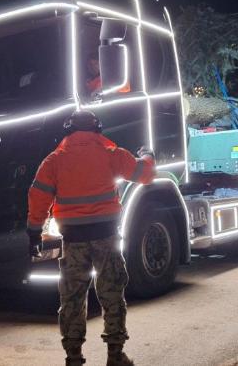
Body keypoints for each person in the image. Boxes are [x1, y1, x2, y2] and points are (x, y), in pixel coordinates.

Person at [27, 110, 155, 366]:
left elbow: (38, 196)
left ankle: (73, 357)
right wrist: (148, 156)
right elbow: (145, 174)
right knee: (112, 294)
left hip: (72, 241)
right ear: (98, 129)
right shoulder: (111, 155)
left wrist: (33, 233)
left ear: (68, 130)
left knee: (72, 298)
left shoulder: (54, 161)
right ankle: (115, 356)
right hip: (105, 238)